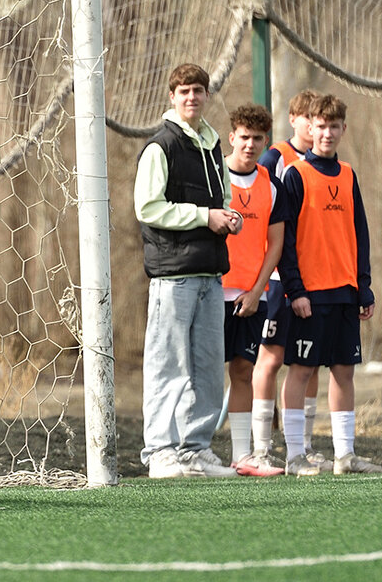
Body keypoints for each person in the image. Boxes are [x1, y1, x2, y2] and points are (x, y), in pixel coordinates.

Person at [134, 63, 242, 479]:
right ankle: (160, 452)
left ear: (206, 95)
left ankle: (195, 450)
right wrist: (204, 217)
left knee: (208, 366)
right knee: (168, 365)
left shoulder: (213, 147)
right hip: (172, 275)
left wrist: (229, 218)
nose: (192, 97)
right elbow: (148, 207)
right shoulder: (161, 147)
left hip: (211, 273)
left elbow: (224, 198)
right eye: (184, 90)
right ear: (172, 96)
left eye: (199, 89)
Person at [276, 94, 382, 475]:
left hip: (345, 291)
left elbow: (360, 234)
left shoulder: (349, 174)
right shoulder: (296, 174)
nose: (326, 133)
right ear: (309, 127)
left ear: (342, 129)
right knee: (302, 370)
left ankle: (345, 456)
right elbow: (284, 241)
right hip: (310, 292)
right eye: (319, 126)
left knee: (344, 370)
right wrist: (296, 289)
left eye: (333, 126)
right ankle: (294, 456)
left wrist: (364, 286)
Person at [254, 89, 325, 469]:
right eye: (307, 119)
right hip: (280, 278)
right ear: (295, 119)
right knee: (271, 357)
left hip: (311, 278)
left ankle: (304, 446)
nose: (315, 127)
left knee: (308, 361)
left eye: (321, 120)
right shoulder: (276, 157)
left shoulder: (324, 161)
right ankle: (262, 448)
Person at [219, 104, 286, 476]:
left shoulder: (271, 185)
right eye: (244, 137)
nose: (250, 144)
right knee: (201, 373)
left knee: (243, 370)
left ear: (264, 142)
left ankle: (242, 456)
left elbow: (274, 245)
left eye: (257, 138)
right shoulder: (215, 178)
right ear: (232, 137)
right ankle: (185, 451)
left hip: (250, 295)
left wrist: (257, 289)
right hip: (211, 291)